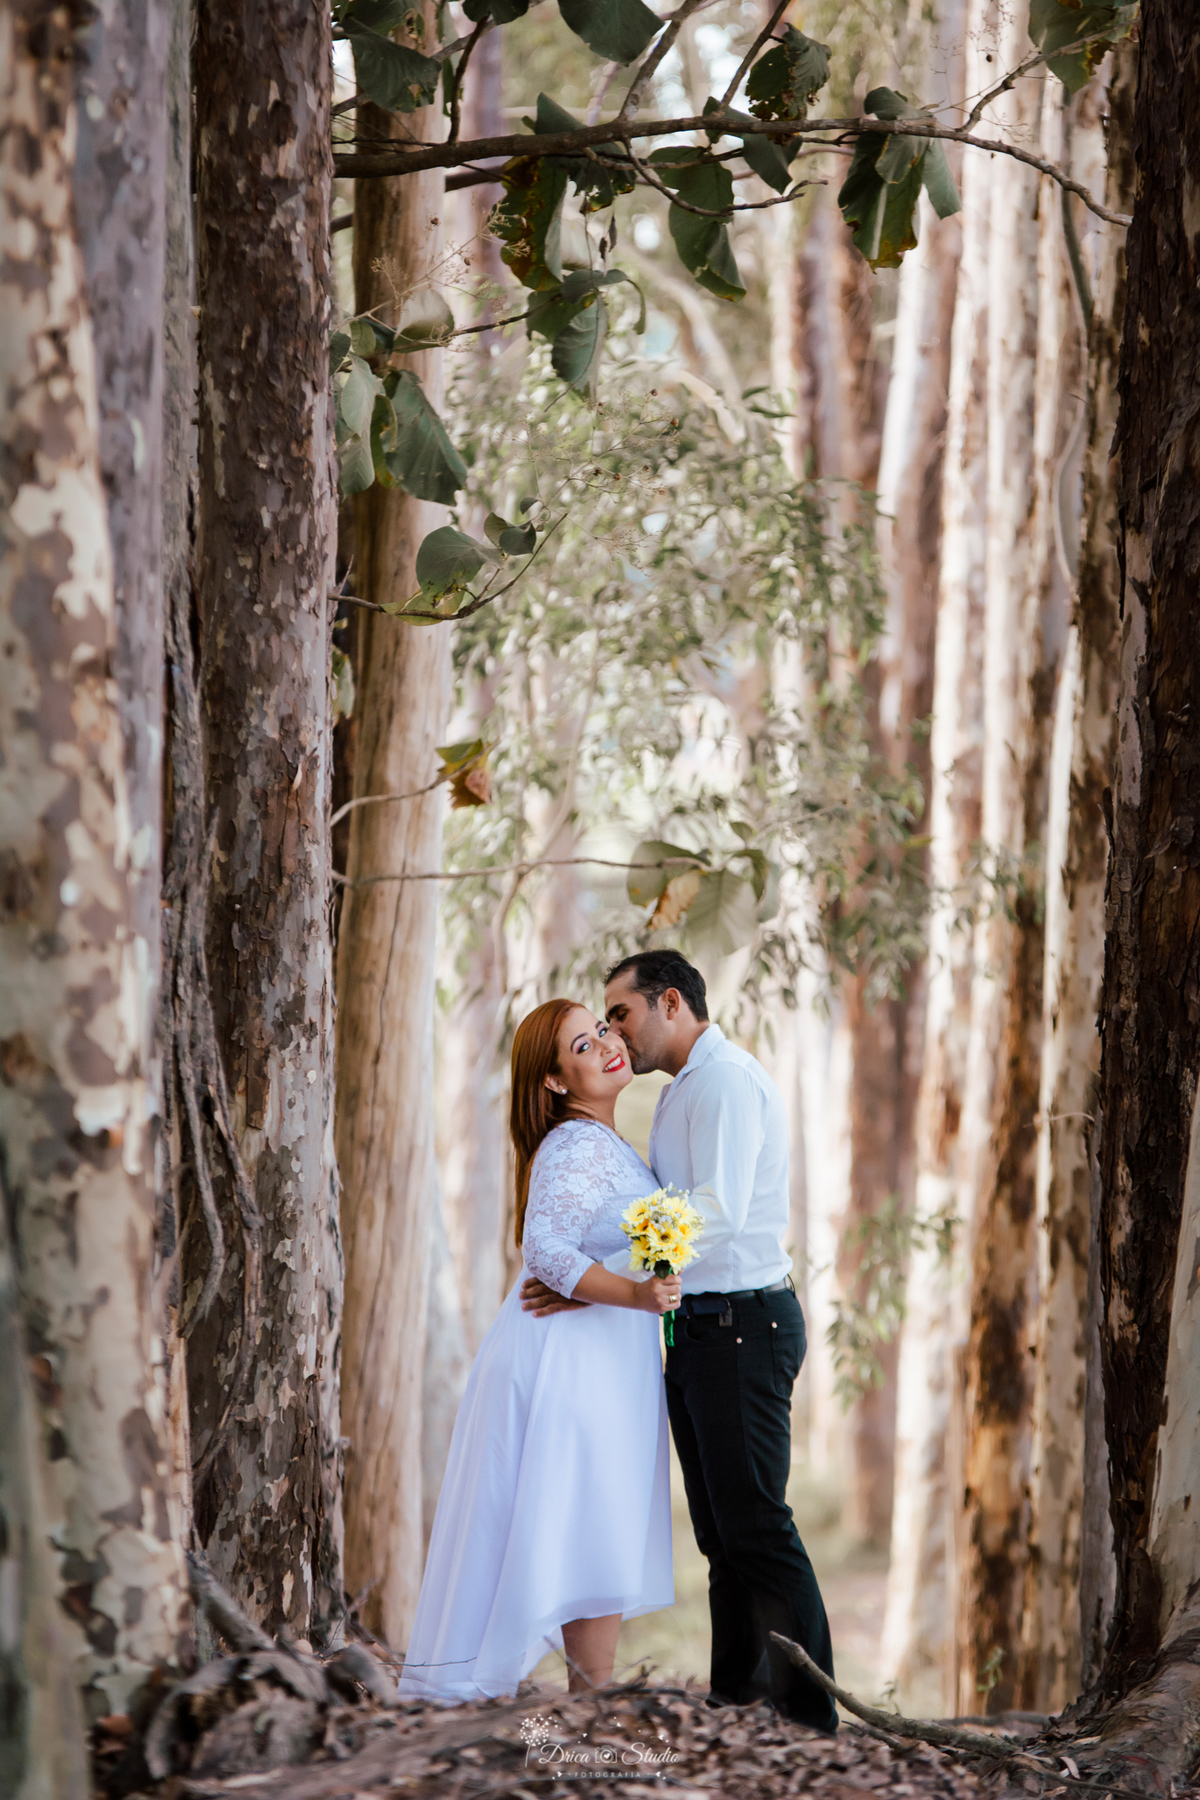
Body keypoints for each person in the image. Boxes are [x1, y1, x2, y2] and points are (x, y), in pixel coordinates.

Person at [522, 949, 838, 1733]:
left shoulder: (723, 1081)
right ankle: (738, 1703)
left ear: (669, 1003)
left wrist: (607, 1271)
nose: (616, 1033)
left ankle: (811, 1720)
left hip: (742, 1326)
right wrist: (596, 1280)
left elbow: (719, 1210)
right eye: (601, 1029)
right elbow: (666, 1210)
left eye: (619, 1015)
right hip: (701, 1331)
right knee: (723, 1538)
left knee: (758, 1527)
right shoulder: (682, 1092)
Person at [397, 997, 679, 1702]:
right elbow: (544, 1248)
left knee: (594, 1525)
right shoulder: (577, 1143)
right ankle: (586, 1709)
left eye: (603, 1031)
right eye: (582, 1047)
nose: (609, 1045)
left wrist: (608, 1287)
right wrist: (635, 1295)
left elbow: (578, 1253)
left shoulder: (604, 1142)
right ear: (554, 1081)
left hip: (593, 1358)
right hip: (567, 1368)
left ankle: (591, 1711)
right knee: (588, 1522)